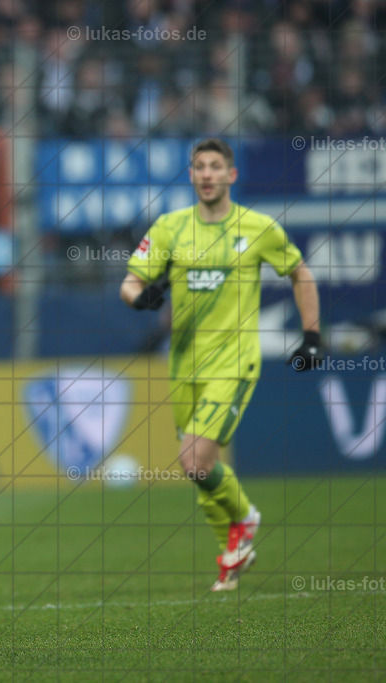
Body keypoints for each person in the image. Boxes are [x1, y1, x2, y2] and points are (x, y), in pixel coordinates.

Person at [121, 137, 322, 591]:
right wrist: (143, 298)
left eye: (216, 166)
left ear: (231, 176)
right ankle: (234, 549)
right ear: (191, 176)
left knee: (193, 458)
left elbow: (300, 274)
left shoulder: (258, 228)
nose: (207, 174)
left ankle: (244, 521)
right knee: (199, 467)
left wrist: (312, 336)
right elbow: (130, 283)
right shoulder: (171, 227)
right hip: (184, 364)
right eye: (199, 167)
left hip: (233, 362)